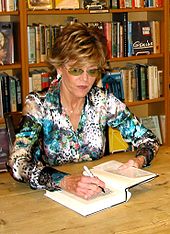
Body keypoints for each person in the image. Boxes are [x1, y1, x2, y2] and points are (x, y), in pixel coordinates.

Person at [8, 22, 160, 199]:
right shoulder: (39, 105)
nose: (85, 79)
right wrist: (64, 181)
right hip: (51, 198)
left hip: (96, 194)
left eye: (92, 70)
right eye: (76, 70)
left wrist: (138, 161)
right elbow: (17, 163)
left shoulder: (102, 101)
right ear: (59, 68)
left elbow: (149, 139)